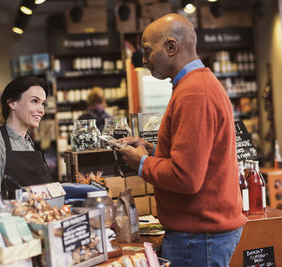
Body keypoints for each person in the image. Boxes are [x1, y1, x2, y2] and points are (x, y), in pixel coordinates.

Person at [118, 14, 246, 266]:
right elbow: (197, 159)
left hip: (200, 236)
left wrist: (142, 163)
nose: (143, 61)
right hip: (202, 233)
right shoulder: (195, 86)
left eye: (147, 51)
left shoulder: (195, 92)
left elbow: (186, 177)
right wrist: (152, 150)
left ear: (171, 46)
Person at [0, 76, 52, 199]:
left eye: (43, 104)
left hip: (43, 216)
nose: (41, 110)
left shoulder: (32, 144)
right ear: (12, 103)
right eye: (35, 101)